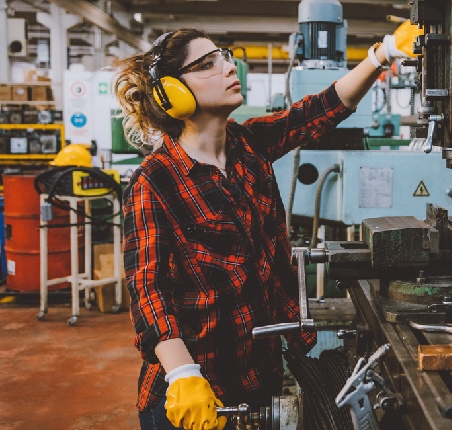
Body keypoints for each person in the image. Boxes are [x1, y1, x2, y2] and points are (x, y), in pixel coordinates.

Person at [113, 22, 422, 430]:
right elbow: (149, 293)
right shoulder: (154, 181)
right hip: (196, 393)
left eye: (223, 56)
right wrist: (184, 376)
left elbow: (321, 109)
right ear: (172, 93)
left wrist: (381, 54)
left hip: (260, 376)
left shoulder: (247, 145)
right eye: (206, 64)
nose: (227, 68)